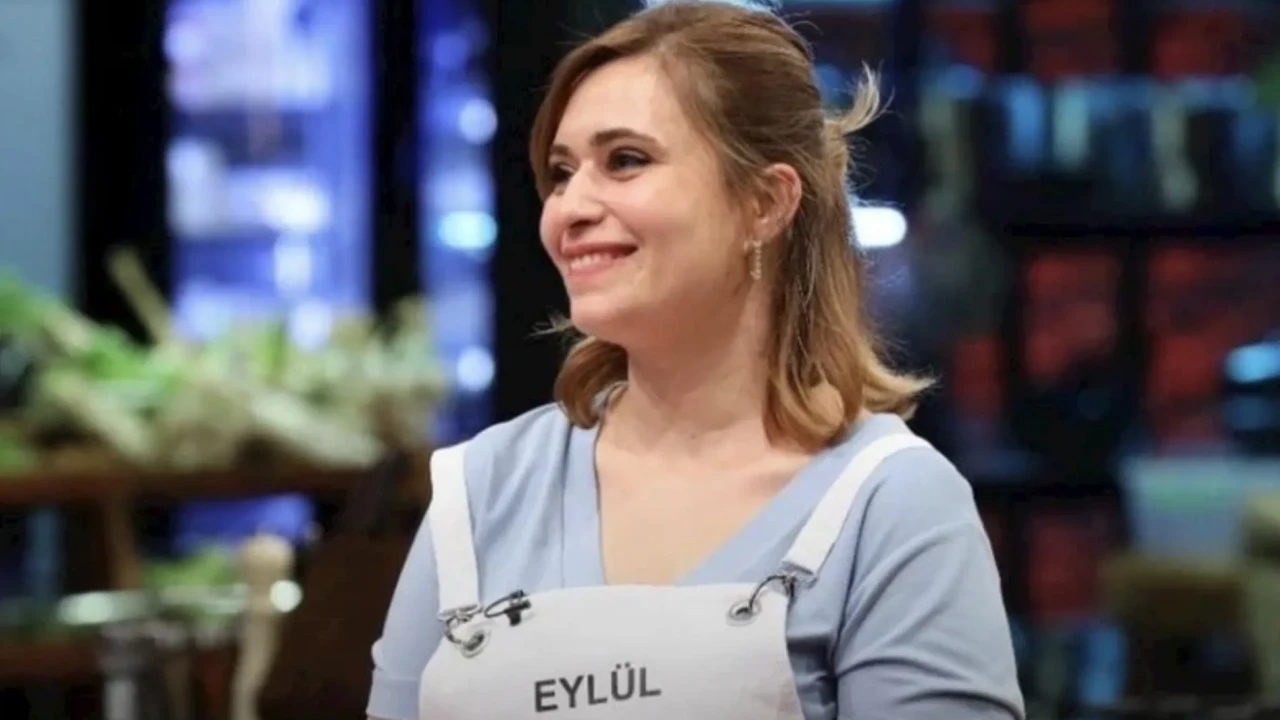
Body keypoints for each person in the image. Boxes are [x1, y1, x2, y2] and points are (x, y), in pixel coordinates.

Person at [367, 2, 1024, 718]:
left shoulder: (890, 504)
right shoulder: (478, 491)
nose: (569, 208)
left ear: (765, 202)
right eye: (560, 173)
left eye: (626, 160)